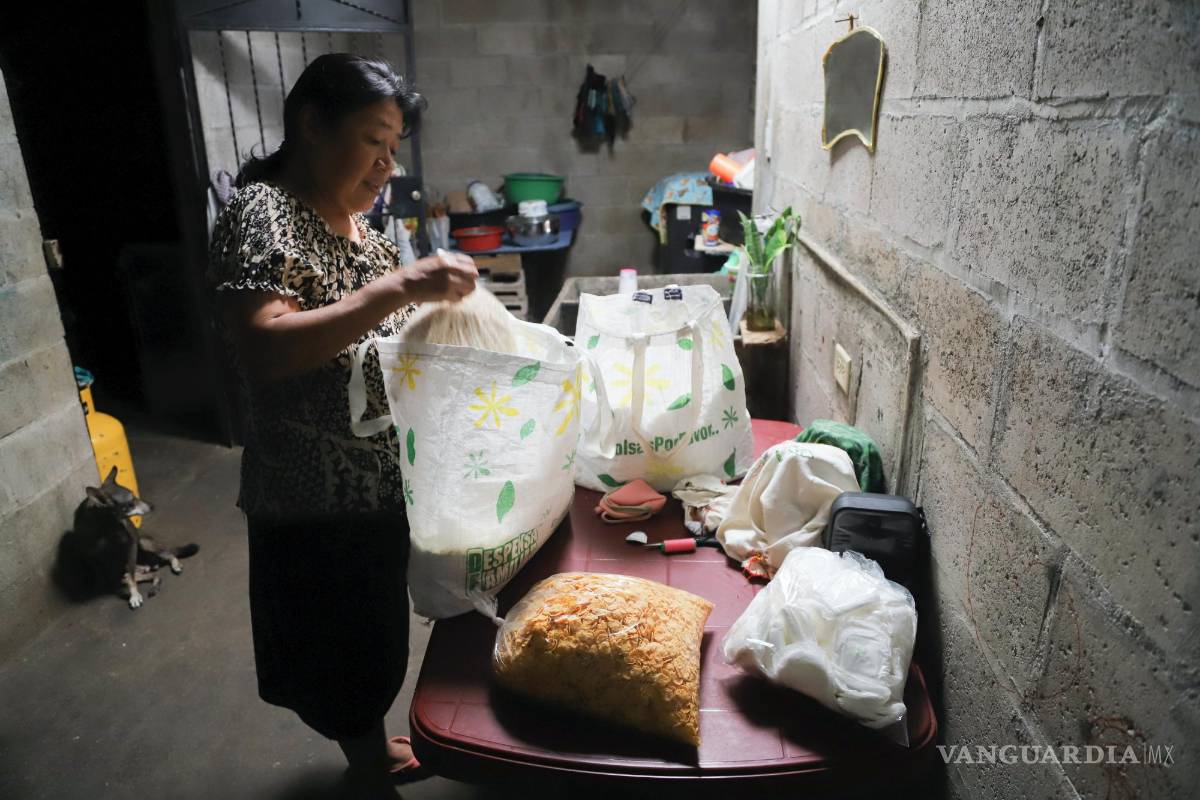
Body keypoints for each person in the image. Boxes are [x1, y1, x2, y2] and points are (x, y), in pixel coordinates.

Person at [206, 53, 476, 794]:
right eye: (372, 140)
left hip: (378, 484)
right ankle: (365, 760)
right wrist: (397, 290)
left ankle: (364, 736)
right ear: (312, 124)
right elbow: (263, 347)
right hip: (312, 491)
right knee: (337, 644)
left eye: (394, 149)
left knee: (372, 630)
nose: (387, 164)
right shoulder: (262, 212)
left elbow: (387, 332)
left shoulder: (363, 227)